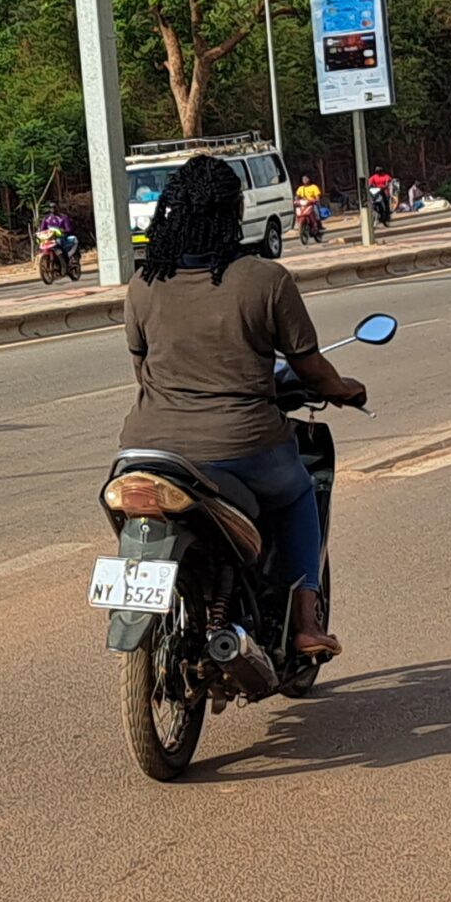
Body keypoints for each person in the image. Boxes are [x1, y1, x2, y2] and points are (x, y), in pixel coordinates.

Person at [119, 154, 365, 660]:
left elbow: (142, 369)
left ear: (173, 212)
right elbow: (310, 365)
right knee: (300, 491)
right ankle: (303, 624)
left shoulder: (143, 285)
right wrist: (342, 390)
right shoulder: (264, 280)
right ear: (234, 211)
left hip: (145, 451)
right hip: (242, 444)